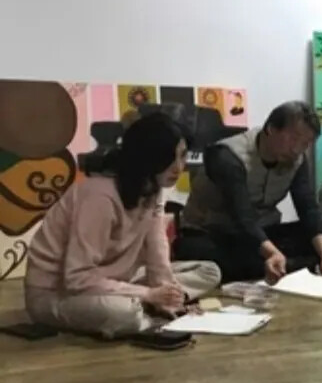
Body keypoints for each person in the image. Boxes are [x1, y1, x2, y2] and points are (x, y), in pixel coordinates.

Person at [23, 112, 221, 338]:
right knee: (125, 314)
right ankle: (142, 311)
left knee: (209, 271)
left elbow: (157, 251)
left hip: (115, 282)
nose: (178, 167)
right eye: (169, 158)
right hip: (57, 294)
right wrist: (148, 294)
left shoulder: (153, 189)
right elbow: (76, 278)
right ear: (146, 158)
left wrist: (168, 296)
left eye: (182, 156)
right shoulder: (100, 196)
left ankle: (147, 307)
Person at [173, 101, 322, 284]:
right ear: (271, 129)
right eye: (293, 138)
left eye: (305, 143)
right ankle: (290, 265)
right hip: (214, 232)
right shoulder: (227, 156)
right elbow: (243, 217)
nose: (296, 149)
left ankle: (286, 265)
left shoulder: (296, 159)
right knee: (208, 254)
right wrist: (272, 253)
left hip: (261, 233)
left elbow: (308, 208)